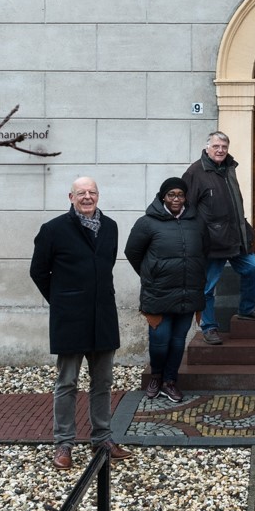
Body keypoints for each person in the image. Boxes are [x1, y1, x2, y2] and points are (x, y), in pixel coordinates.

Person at [29, 177, 132, 470]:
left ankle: (102, 438)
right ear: (71, 196)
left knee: (103, 382)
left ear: (98, 195)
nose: (87, 197)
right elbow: (38, 271)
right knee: (67, 382)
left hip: (103, 316)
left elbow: (105, 267)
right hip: (70, 318)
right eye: (81, 193)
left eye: (92, 192)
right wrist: (61, 300)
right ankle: (64, 443)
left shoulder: (110, 227)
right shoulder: (53, 229)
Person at [124, 177, 207, 403]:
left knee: (178, 341)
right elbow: (132, 252)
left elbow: (204, 251)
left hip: (188, 293)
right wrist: (150, 275)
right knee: (160, 341)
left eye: (180, 195)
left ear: (185, 198)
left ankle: (170, 381)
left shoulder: (196, 221)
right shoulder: (147, 223)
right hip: (159, 294)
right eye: (171, 195)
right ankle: (156, 377)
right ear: (163, 197)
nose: (176, 199)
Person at [183, 131, 255, 345]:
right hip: (212, 242)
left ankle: (246, 310)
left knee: (252, 269)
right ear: (207, 148)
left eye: (224, 146)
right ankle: (209, 327)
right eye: (216, 146)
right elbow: (187, 208)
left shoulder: (229, 167)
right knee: (207, 287)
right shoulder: (195, 172)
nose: (220, 150)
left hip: (236, 236)